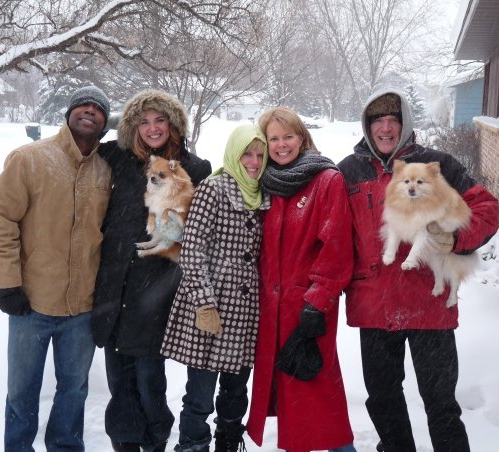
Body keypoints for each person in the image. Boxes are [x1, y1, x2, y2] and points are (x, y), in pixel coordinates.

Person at [337, 88, 499, 452]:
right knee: (383, 401)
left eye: (393, 119)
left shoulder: (435, 165)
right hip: (373, 307)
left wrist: (455, 240)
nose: (386, 127)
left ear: (405, 122)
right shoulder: (348, 171)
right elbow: (330, 232)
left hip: (429, 306)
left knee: (441, 404)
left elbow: (486, 208)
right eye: (378, 120)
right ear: (367, 125)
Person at [0, 85, 113, 452]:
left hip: (82, 308)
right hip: (31, 304)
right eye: (82, 105)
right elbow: (1, 223)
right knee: (22, 390)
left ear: (104, 122)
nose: (89, 111)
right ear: (69, 113)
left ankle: (65, 447)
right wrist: (8, 284)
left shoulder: (106, 170)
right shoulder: (29, 159)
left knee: (74, 390)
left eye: (97, 108)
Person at [91, 89, 212, 452]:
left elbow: (201, 233)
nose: (152, 128)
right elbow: (86, 136)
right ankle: (125, 443)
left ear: (174, 124)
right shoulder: (117, 158)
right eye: (143, 121)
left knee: (148, 381)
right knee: (120, 381)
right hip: (114, 290)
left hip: (156, 293)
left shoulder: (196, 169)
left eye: (160, 120)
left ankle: (155, 441)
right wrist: (116, 120)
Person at [246, 107, 357, 452]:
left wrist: (316, 303)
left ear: (302, 137)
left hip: (307, 309)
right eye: (273, 138)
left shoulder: (326, 179)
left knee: (318, 390)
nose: (281, 145)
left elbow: (336, 249)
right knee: (293, 401)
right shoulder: (265, 183)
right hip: (272, 310)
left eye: (288, 136)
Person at [161, 124, 269, 452]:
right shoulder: (214, 188)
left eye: (259, 155)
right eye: (246, 154)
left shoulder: (266, 191)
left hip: (248, 312)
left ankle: (228, 442)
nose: (253, 162)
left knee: (236, 393)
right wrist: (204, 302)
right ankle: (193, 446)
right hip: (212, 306)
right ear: (234, 154)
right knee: (200, 396)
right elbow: (193, 249)